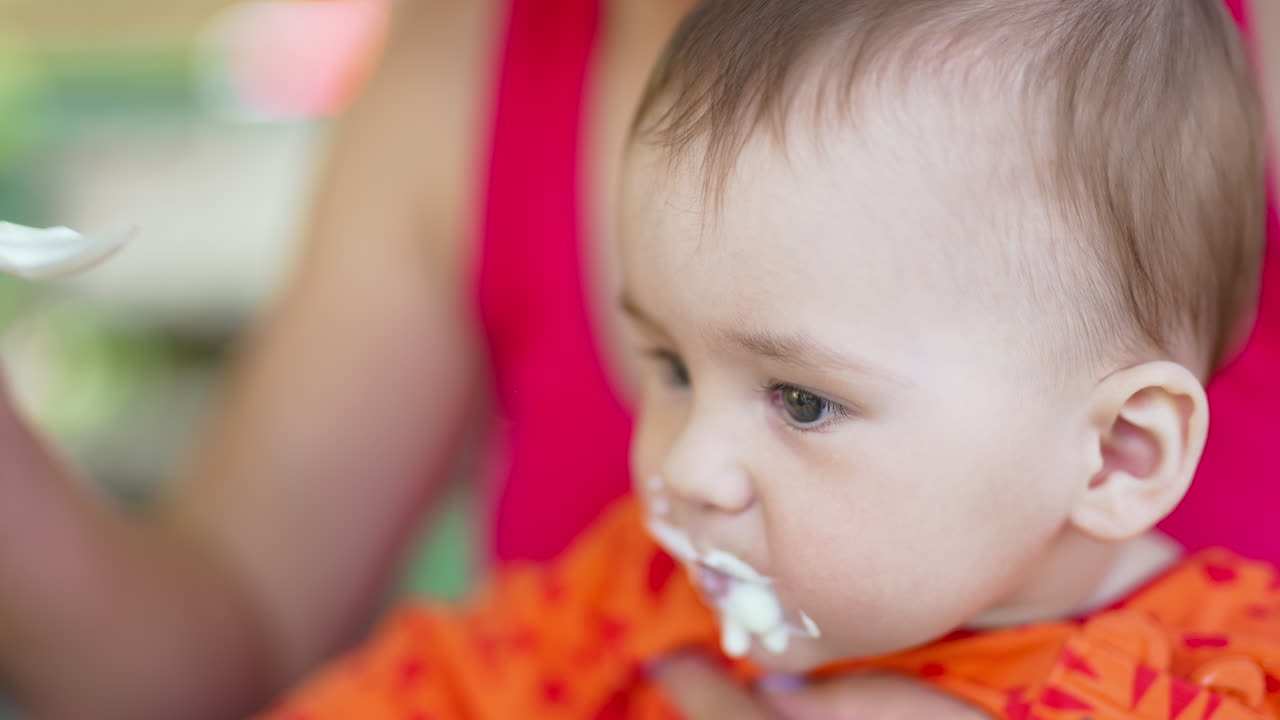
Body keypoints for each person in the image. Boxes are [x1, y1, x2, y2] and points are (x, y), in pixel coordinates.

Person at [0, 0, 1275, 717]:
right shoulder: (618, 602)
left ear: (1117, 452)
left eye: (798, 400)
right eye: (665, 368)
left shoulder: (1217, 683)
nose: (680, 471)